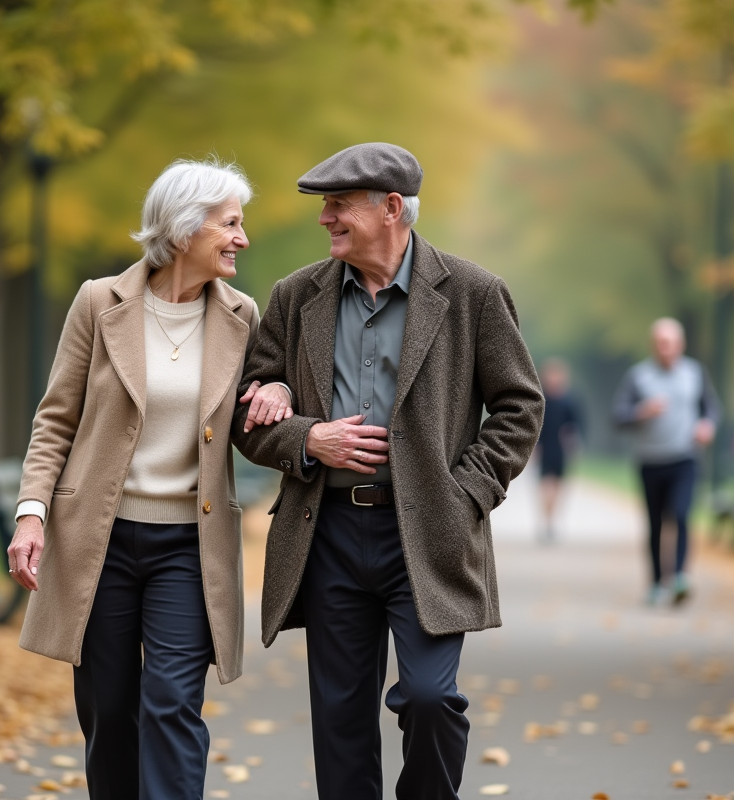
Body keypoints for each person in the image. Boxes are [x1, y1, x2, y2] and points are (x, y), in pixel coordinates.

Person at [233, 143, 544, 800]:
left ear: (392, 208)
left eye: (339, 205)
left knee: (431, 698)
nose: (326, 219)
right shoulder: (295, 295)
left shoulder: (474, 293)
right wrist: (307, 438)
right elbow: (248, 415)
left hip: (430, 533)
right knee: (341, 720)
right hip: (328, 533)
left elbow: (520, 406)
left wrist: (467, 493)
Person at [5, 157, 288, 800]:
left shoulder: (243, 315)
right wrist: (31, 513)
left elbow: (264, 392)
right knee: (109, 711)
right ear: (186, 228)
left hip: (189, 544)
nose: (242, 238)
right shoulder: (98, 302)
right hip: (98, 540)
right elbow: (56, 420)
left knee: (172, 703)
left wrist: (280, 389)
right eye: (230, 224)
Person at [612, 317, 720, 607]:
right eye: (660, 343)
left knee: (681, 515)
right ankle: (657, 583)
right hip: (650, 461)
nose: (665, 348)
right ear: (653, 345)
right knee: (656, 523)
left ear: (680, 345)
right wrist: (641, 412)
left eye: (670, 343)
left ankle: (680, 577)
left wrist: (707, 425)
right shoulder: (639, 376)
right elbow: (618, 415)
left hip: (685, 457)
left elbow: (710, 407)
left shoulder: (695, 373)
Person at [535, 358, 583, 543]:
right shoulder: (541, 400)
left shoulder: (568, 401)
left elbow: (576, 426)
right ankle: (547, 521)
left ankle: (552, 519)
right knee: (546, 485)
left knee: (558, 486)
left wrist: (574, 444)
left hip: (561, 449)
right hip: (545, 448)